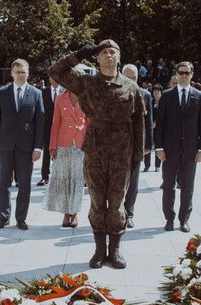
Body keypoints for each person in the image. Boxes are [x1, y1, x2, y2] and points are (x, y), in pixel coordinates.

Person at [48, 40, 145, 269]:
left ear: (119, 57)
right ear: (97, 58)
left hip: (122, 152)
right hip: (95, 151)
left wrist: (138, 156)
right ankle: (99, 251)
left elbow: (139, 122)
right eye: (103, 52)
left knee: (117, 204)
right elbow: (55, 71)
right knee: (97, 202)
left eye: (113, 52)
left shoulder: (131, 87)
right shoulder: (87, 83)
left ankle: (116, 250)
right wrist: (80, 54)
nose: (109, 55)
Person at [0, 58, 44, 230]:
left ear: (28, 73)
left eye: (23, 72)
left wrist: (38, 147)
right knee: (3, 183)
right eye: (17, 72)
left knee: (25, 185)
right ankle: (4, 217)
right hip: (4, 146)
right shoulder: (2, 92)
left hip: (26, 149)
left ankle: (21, 218)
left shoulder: (36, 93)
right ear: (12, 73)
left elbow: (40, 122)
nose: (20, 75)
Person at [155, 61, 201, 233]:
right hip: (169, 150)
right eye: (181, 73)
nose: (184, 76)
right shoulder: (167, 96)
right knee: (168, 185)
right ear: (176, 74)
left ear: (192, 75)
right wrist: (159, 147)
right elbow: (160, 124)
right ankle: (169, 219)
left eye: (187, 73)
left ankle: (183, 220)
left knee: (187, 187)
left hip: (191, 151)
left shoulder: (199, 97)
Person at [42, 89, 88, 228]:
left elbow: (90, 121)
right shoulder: (60, 98)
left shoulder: (87, 96)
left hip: (81, 142)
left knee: (77, 179)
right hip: (63, 143)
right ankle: (66, 213)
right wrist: (52, 146)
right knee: (63, 179)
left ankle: (74, 213)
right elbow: (55, 123)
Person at [122, 64, 152, 229]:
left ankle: (129, 213)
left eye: (133, 78)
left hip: (135, 145)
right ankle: (116, 212)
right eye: (127, 77)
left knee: (133, 182)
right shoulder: (113, 92)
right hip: (116, 145)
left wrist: (148, 145)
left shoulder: (145, 95)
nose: (130, 80)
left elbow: (148, 123)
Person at [37, 76, 61, 186]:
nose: (55, 79)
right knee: (46, 151)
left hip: (62, 128)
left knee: (62, 152)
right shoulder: (42, 93)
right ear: (49, 79)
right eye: (52, 76)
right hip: (47, 127)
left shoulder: (65, 91)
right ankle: (44, 176)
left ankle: (60, 176)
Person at [144, 84, 163, 172]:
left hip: (160, 128)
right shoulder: (150, 101)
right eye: (155, 91)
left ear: (161, 92)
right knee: (148, 145)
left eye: (158, 91)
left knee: (158, 146)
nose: (156, 93)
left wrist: (157, 123)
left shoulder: (164, 102)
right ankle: (147, 165)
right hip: (150, 127)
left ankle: (157, 165)